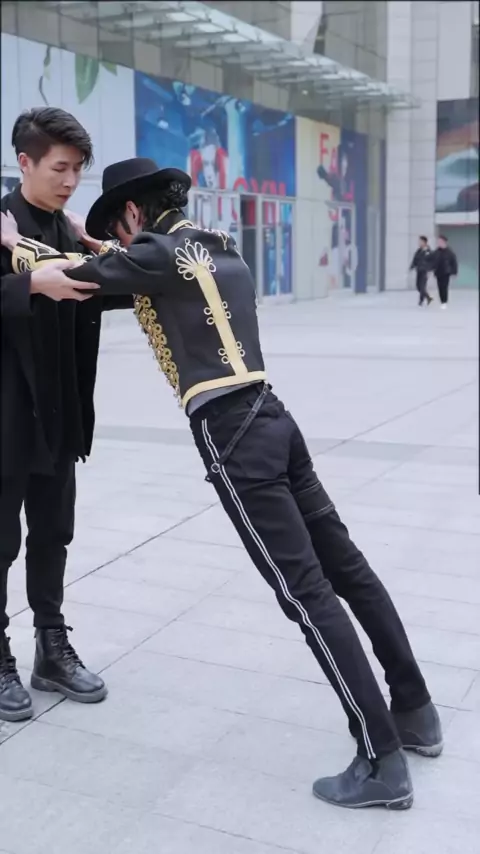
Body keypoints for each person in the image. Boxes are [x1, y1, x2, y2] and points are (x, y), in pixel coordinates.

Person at [1, 157, 443, 810]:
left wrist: (16, 247)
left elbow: (72, 278)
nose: (122, 241)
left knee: (305, 594)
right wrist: (106, 246)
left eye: (120, 229)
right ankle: (415, 711)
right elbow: (142, 267)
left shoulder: (154, 255)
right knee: (348, 569)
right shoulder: (218, 244)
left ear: (132, 213)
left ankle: (381, 759)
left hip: (231, 432)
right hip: (274, 415)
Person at [0, 108, 131, 724]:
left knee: (54, 534)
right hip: (6, 416)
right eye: (60, 168)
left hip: (59, 412)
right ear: (24, 161)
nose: (71, 181)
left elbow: (123, 289)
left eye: (79, 169)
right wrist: (29, 285)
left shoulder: (70, 230)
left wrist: (100, 248)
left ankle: (51, 649)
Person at [430, 234, 458, 309]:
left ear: (444, 242)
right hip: (438, 272)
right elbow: (432, 261)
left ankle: (444, 302)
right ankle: (442, 301)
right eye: (438, 241)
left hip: (446, 272)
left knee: (444, 287)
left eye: (440, 241)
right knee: (439, 287)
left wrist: (454, 272)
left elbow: (454, 262)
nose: (438, 243)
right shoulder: (436, 252)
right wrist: (430, 269)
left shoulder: (449, 252)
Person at [409, 236, 433, 306]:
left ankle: (421, 301)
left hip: (425, 271)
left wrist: (430, 270)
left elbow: (432, 262)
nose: (419, 243)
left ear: (424, 242)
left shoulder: (429, 251)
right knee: (418, 286)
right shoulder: (418, 251)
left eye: (420, 241)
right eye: (419, 241)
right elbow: (415, 259)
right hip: (419, 270)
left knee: (422, 286)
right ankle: (428, 298)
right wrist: (412, 266)